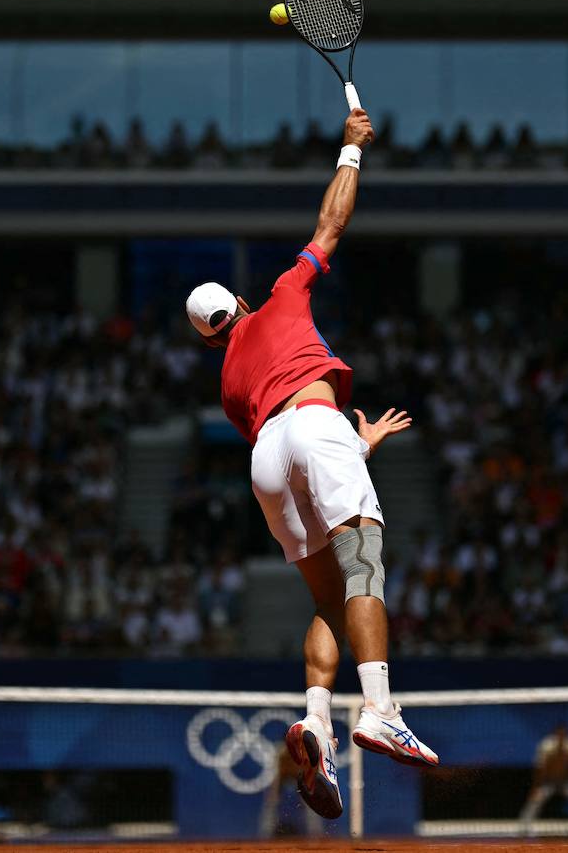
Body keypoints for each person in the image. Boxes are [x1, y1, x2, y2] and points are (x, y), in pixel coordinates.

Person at [184, 107, 438, 821]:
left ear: (210, 338)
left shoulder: (229, 380)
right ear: (239, 302)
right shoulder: (283, 295)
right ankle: (381, 707)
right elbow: (332, 224)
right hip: (315, 425)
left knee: (329, 597)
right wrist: (352, 150)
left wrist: (354, 450)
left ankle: (319, 725)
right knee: (365, 560)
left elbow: (285, 446)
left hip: (268, 452)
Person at [517, 723, 568, 836]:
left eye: (564, 733)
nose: (562, 736)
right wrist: (536, 787)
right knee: (535, 799)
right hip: (549, 782)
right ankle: (523, 828)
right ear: (555, 733)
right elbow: (541, 768)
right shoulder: (546, 745)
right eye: (560, 733)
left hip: (567, 782)